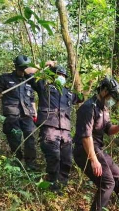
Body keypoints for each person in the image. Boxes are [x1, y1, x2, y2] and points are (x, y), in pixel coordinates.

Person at [73, 76, 119, 211]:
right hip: (85, 151)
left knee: (118, 175)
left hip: (97, 149)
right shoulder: (88, 107)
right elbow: (85, 136)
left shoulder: (104, 109)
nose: (112, 101)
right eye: (112, 97)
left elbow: (109, 129)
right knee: (107, 182)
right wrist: (94, 160)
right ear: (103, 91)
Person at [26, 64, 84, 194]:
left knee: (67, 159)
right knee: (54, 157)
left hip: (65, 131)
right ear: (53, 76)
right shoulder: (44, 87)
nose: (61, 77)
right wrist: (45, 65)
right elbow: (27, 72)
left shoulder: (69, 93)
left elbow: (81, 97)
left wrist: (77, 74)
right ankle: (51, 185)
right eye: (59, 75)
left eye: (63, 76)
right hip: (49, 129)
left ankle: (61, 187)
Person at [0, 55, 37, 170]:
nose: (24, 70)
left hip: (27, 113)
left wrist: (35, 112)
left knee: (30, 137)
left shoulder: (29, 80)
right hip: (12, 113)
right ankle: (18, 160)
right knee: (14, 136)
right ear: (17, 67)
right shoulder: (5, 78)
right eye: (22, 68)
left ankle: (30, 164)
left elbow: (31, 99)